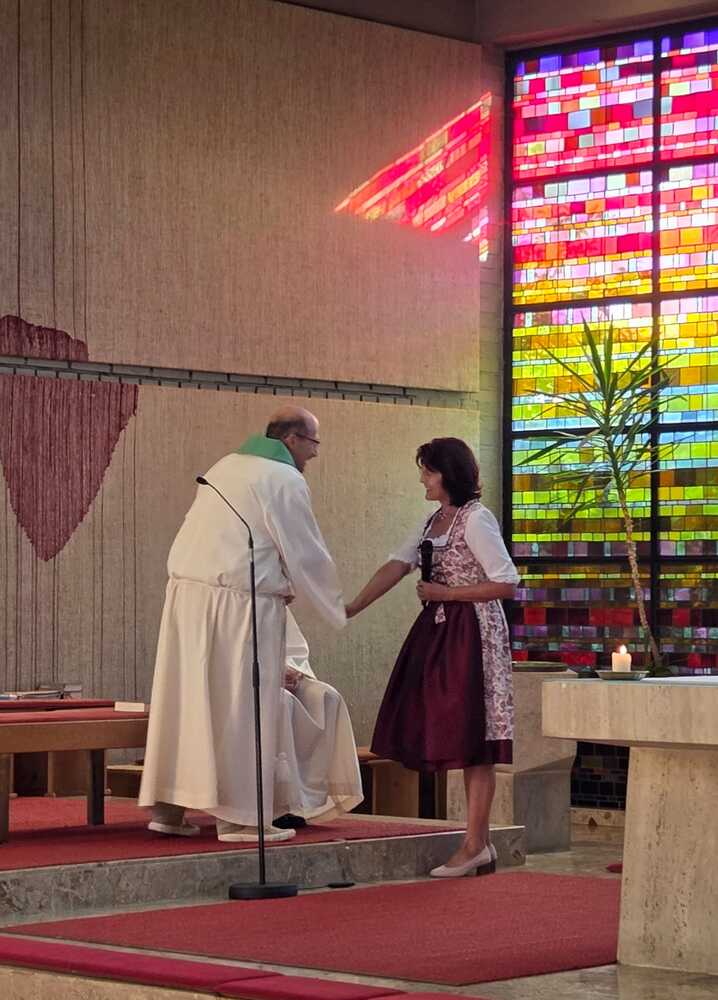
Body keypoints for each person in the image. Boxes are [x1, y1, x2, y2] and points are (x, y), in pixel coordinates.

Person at [139, 405, 348, 842]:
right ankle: (241, 819)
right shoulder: (283, 478)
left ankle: (168, 810)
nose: (314, 454)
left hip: (188, 598)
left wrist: (282, 580)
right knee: (243, 704)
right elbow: (305, 549)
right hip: (239, 606)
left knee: (189, 700)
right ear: (292, 439)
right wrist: (338, 606)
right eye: (313, 443)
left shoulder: (225, 466)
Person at [345, 437, 518, 877]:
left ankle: (475, 844)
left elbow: (506, 582)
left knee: (476, 737)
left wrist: (447, 593)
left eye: (429, 471)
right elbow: (396, 565)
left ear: (448, 474)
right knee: (449, 727)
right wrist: (350, 608)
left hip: (473, 632)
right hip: (440, 632)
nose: (422, 479)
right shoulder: (432, 521)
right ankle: (476, 842)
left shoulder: (476, 520)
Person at [273, 609, 363, 824]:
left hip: (276, 674)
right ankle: (275, 805)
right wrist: (270, 672)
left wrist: (291, 668)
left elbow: (293, 647)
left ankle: (303, 803)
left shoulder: (272, 597)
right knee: (281, 702)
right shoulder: (226, 597)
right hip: (241, 683)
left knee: (327, 697)